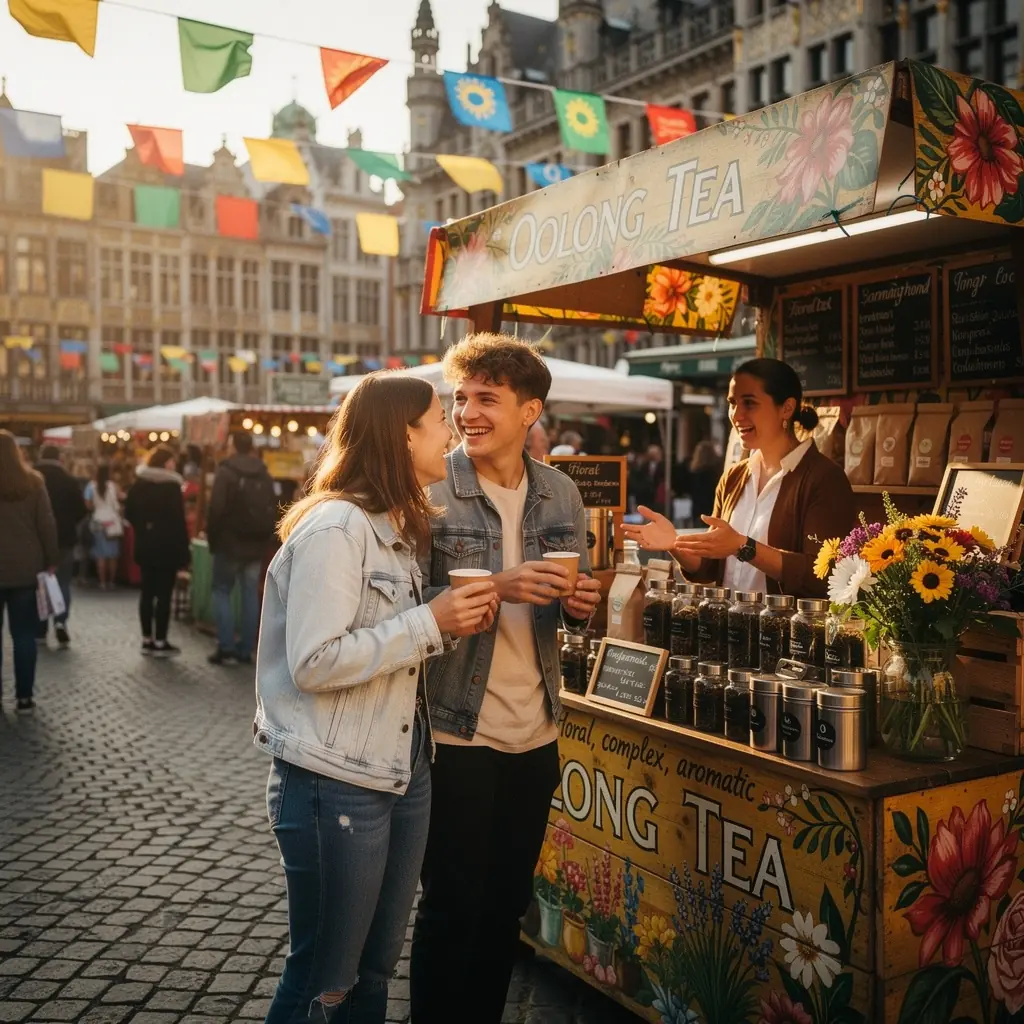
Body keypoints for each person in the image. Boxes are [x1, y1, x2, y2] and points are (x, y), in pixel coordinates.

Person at [256, 374, 497, 1024]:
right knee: (322, 975)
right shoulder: (338, 527)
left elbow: (386, 646)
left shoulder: (394, 525)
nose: (450, 432)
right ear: (403, 434)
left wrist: (447, 623)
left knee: (373, 970)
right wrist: (430, 622)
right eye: (438, 420)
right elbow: (315, 660)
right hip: (334, 781)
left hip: (400, 770)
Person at [411, 334, 602, 1024]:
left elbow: (574, 605)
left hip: (538, 730)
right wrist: (500, 583)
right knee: (451, 905)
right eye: (460, 398)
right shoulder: (431, 492)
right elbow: (403, 612)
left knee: (505, 907)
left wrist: (583, 605)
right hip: (456, 731)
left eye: (486, 398)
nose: (467, 412)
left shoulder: (561, 493)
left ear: (530, 412)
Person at [622, 358, 855, 598]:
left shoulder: (824, 478)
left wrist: (744, 546)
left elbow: (824, 575)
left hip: (787, 632)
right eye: (733, 403)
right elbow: (710, 567)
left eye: (749, 403)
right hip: (730, 627)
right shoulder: (734, 476)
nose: (737, 414)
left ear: (786, 408)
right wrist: (675, 544)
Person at [206, 431, 277, 666]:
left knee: (222, 590)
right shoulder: (264, 474)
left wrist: (213, 539)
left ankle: (226, 646)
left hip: (229, 543)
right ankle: (246, 649)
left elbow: (215, 509)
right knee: (249, 596)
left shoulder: (226, 472)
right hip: (255, 544)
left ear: (233, 446)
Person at [0, 430, 58, 712]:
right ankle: (24, 697)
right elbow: (46, 525)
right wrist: (51, 558)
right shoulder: (33, 483)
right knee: (24, 634)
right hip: (25, 568)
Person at [124, 446, 191, 657]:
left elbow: (129, 513)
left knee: (146, 593)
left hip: (145, 546)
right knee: (163, 595)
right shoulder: (171, 487)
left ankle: (146, 639)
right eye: (172, 460)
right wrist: (183, 551)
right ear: (165, 462)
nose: (174, 464)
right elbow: (178, 522)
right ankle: (161, 641)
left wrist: (145, 528)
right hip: (167, 548)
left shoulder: (139, 484)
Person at [35, 444, 87, 647]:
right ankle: (60, 621)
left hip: (37, 539)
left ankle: (40, 628)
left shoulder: (32, 480)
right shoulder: (69, 481)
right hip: (64, 538)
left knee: (40, 582)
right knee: (63, 582)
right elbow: (82, 511)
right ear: (59, 459)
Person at [84, 462, 122, 590]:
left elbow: (88, 504)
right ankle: (112, 581)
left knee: (100, 554)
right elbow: (120, 499)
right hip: (112, 522)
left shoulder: (91, 486)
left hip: (98, 521)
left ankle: (102, 582)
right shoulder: (113, 486)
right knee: (112, 554)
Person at [674, 439, 722, 525]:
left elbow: (686, 489)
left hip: (698, 510)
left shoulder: (695, 473)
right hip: (713, 509)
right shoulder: (716, 471)